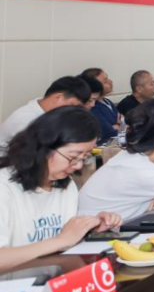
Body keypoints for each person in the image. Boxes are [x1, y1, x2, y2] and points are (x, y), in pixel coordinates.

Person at [0, 107, 122, 270]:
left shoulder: (65, 186)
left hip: (52, 279)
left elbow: (62, 242)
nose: (78, 165)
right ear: (44, 146)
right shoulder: (4, 186)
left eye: (85, 157)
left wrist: (87, 229)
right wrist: (61, 241)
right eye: (73, 157)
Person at [0, 76, 91, 154]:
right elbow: (36, 155)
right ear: (58, 97)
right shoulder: (26, 119)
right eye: (72, 105)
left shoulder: (49, 112)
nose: (73, 110)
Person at [83, 68, 121, 146]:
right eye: (105, 81)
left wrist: (117, 125)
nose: (110, 81)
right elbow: (109, 133)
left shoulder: (107, 101)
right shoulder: (93, 108)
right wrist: (118, 125)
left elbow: (123, 122)